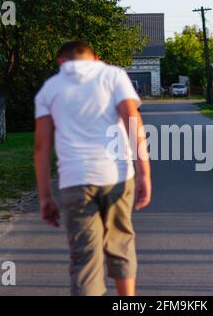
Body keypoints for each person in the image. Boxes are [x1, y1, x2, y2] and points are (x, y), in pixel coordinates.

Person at [34, 41, 151, 296]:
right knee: (120, 243)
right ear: (96, 58)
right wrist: (144, 172)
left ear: (60, 62)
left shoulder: (49, 90)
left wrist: (45, 197)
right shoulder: (113, 75)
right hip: (117, 176)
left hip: (75, 181)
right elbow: (133, 120)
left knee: (84, 259)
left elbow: (41, 148)